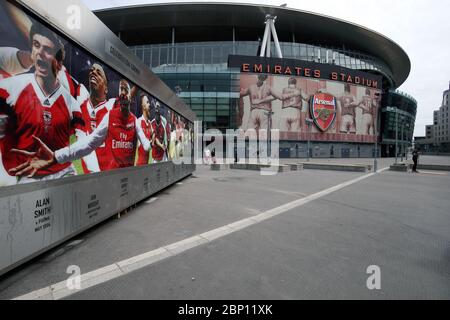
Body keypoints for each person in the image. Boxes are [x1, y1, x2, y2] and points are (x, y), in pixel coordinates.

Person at [9, 79, 152, 174]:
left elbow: (145, 144)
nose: (122, 93)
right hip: (111, 176)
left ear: (130, 96)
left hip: (129, 175)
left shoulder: (134, 121)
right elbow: (89, 143)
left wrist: (149, 143)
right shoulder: (110, 116)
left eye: (125, 90)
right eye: (120, 89)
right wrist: (56, 156)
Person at [1, 24, 85, 183]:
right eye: (36, 45)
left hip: (63, 172)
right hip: (28, 176)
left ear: (59, 63)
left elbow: (84, 142)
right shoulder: (10, 89)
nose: (40, 53)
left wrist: (57, 157)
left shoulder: (71, 103)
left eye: (48, 50)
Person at [135, 94, 153, 166]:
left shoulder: (150, 124)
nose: (149, 105)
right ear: (143, 105)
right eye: (147, 102)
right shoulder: (138, 122)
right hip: (139, 166)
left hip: (147, 166)